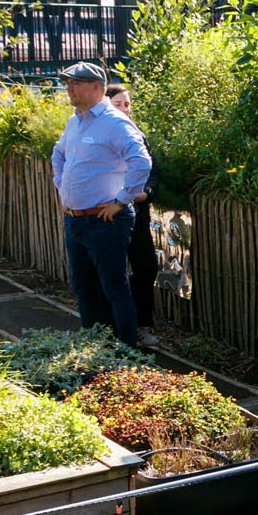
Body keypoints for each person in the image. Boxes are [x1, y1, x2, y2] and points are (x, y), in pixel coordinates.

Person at [50, 61, 152, 349]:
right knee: (82, 288)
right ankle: (94, 348)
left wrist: (121, 201)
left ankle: (126, 353)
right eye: (67, 83)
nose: (69, 88)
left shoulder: (114, 122)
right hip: (76, 219)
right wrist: (63, 186)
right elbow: (57, 155)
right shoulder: (75, 121)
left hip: (105, 220)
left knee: (114, 288)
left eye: (76, 83)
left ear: (97, 87)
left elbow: (141, 163)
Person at [107, 83, 161, 347]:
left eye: (127, 104)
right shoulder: (101, 136)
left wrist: (146, 192)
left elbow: (152, 171)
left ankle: (141, 325)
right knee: (112, 272)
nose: (125, 109)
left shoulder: (137, 134)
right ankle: (113, 328)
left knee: (146, 267)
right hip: (109, 214)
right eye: (118, 104)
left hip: (137, 212)